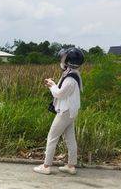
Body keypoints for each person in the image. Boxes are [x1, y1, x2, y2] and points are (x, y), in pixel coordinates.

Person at [34, 47, 84, 175]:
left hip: (65, 112)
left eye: (63, 58)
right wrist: (54, 85)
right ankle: (71, 165)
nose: (61, 60)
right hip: (71, 112)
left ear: (68, 61)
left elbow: (59, 94)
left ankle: (46, 166)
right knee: (70, 139)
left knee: (52, 137)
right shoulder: (73, 74)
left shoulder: (70, 79)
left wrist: (52, 85)